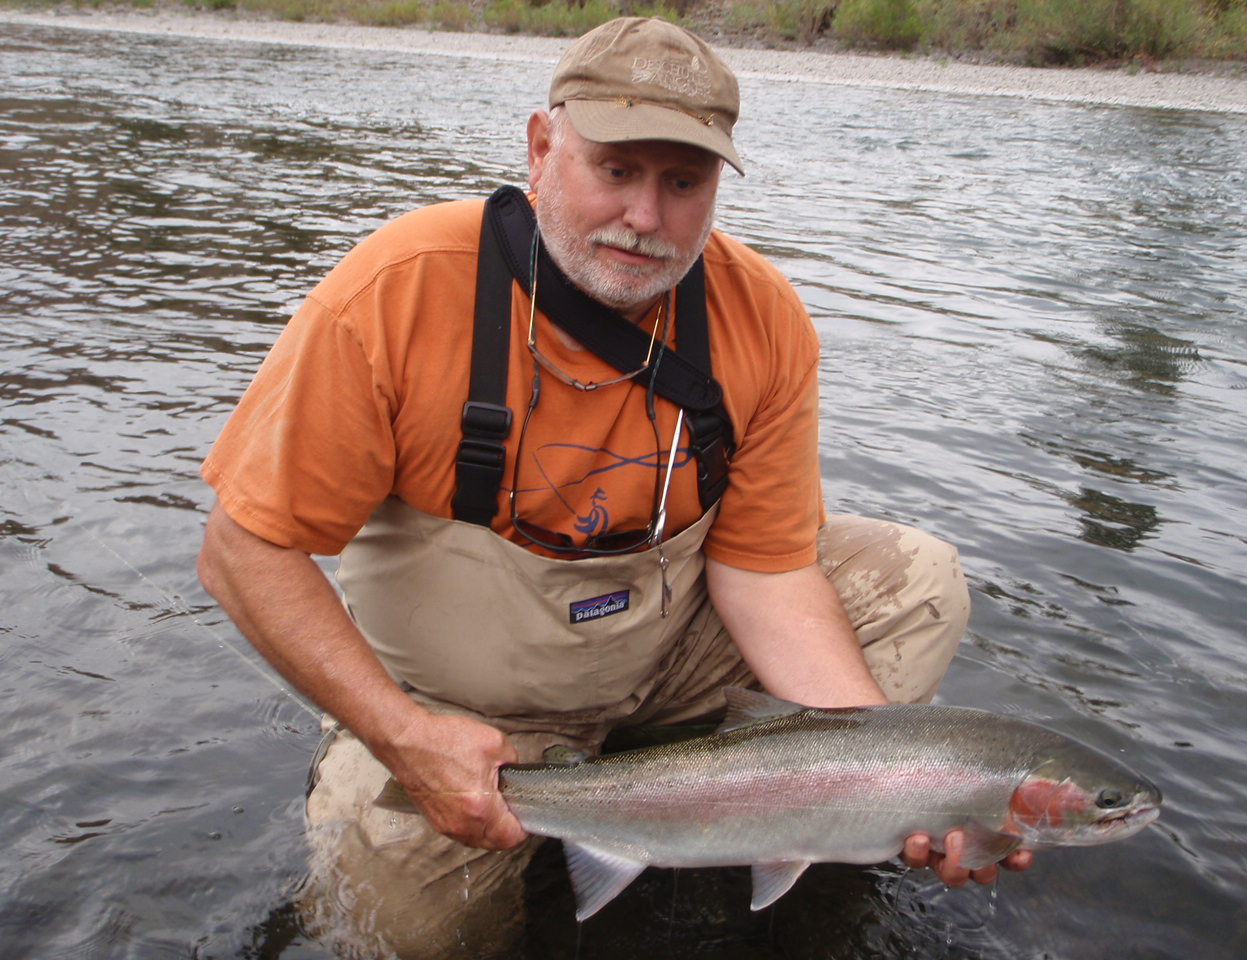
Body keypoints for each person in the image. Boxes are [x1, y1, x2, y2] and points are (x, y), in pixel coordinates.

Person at [197, 16, 1030, 958]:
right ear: (540, 148)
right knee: (403, 939)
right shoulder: (397, 291)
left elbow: (765, 573)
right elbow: (242, 550)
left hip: (661, 662)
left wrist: (887, 778)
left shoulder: (763, 319)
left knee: (920, 580)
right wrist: (401, 737)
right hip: (455, 709)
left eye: (683, 183)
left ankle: (687, 796)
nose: (645, 217)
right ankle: (588, 789)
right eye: (617, 169)